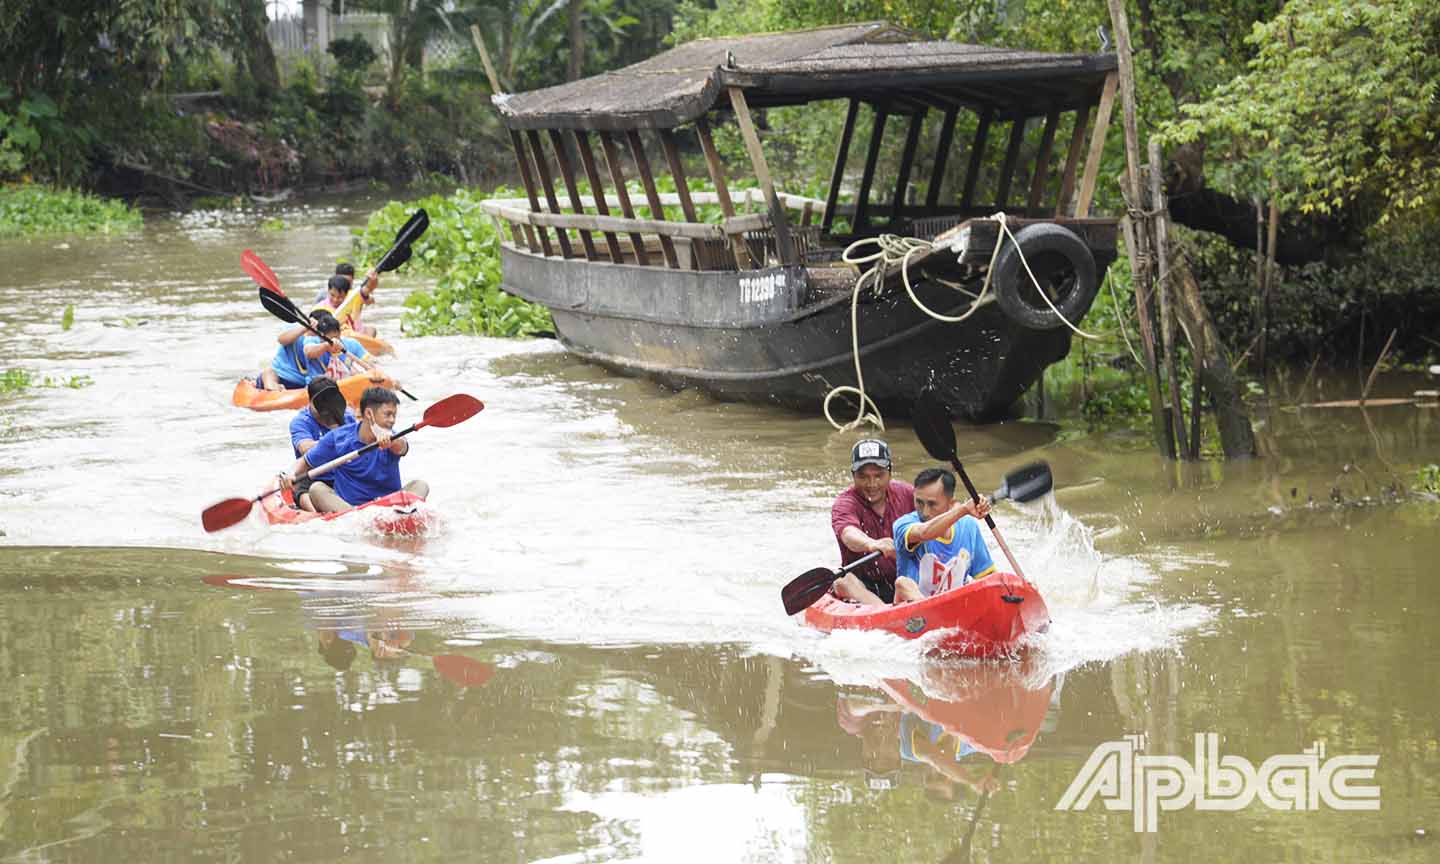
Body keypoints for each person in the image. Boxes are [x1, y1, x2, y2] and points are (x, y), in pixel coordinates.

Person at [281, 386, 428, 513]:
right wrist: (290, 474)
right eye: (388, 414)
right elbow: (304, 462)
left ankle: (399, 514)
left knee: (421, 485)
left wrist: (391, 441)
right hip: (351, 509)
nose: (392, 420)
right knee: (316, 489)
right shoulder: (337, 438)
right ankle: (357, 520)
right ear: (369, 414)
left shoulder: (394, 437)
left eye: (394, 415)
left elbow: (402, 447)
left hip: (390, 508)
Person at [889, 468, 994, 603]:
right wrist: (964, 509)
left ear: (950, 503)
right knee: (902, 583)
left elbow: (987, 577)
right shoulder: (903, 525)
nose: (925, 512)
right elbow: (924, 533)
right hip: (913, 613)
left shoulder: (968, 526)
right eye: (919, 502)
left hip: (956, 607)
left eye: (932, 504)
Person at [830, 439, 914, 604]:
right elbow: (848, 534)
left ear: (890, 472)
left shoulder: (908, 493)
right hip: (865, 586)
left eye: (879, 476)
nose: (872, 484)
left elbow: (935, 514)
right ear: (853, 475)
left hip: (906, 580)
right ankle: (884, 613)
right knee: (843, 581)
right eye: (863, 477)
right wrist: (872, 544)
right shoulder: (845, 503)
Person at [286, 378, 355, 511]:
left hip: (342, 472)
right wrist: (334, 439)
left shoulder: (347, 416)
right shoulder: (301, 421)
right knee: (301, 489)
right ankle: (316, 514)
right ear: (311, 402)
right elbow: (305, 448)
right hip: (312, 474)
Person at [315, 263, 379, 337]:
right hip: (338, 334)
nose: (335, 300)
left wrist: (372, 279)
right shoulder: (320, 305)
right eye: (332, 295)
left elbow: (368, 289)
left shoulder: (353, 295)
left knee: (371, 330)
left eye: (340, 297)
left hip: (355, 333)